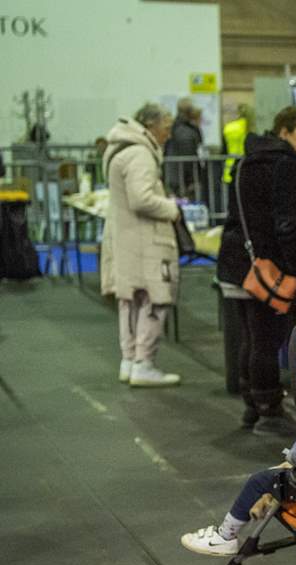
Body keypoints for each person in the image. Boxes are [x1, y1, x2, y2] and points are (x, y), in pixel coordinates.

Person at [217, 107, 296, 436]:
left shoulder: (248, 159)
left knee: (250, 337)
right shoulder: (287, 165)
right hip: (268, 265)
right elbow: (289, 224)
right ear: (284, 133)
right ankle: (269, 408)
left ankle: (252, 407)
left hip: (237, 261)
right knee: (266, 339)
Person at [101, 103, 184, 387]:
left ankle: (130, 360)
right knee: (154, 299)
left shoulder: (121, 149)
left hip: (126, 239)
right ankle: (144, 362)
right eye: (166, 128)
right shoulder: (140, 154)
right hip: (146, 241)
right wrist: (172, 208)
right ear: (151, 126)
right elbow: (141, 198)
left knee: (129, 301)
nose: (168, 134)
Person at [165, 98, 203, 197]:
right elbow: (188, 159)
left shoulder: (175, 127)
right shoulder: (186, 132)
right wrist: (192, 180)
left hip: (174, 177)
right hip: (183, 181)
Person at [222, 103, 253, 184]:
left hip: (230, 167)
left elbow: (224, 149)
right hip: (247, 167)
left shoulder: (229, 127)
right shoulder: (251, 127)